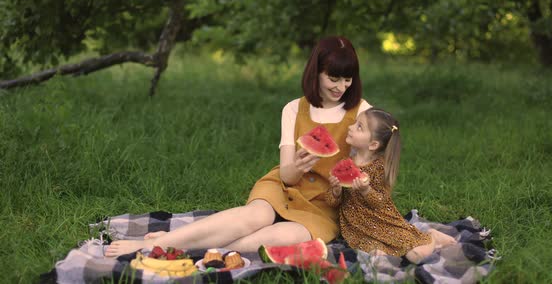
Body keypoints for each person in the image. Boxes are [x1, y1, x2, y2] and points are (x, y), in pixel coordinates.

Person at [105, 36, 372, 257]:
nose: (341, 87)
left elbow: (372, 173)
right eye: (333, 78)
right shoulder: (293, 109)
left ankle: (182, 245)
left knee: (283, 236)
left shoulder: (363, 113)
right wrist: (298, 167)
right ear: (317, 72)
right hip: (283, 186)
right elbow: (287, 176)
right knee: (254, 218)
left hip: (325, 205)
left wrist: (359, 181)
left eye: (347, 79)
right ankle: (152, 244)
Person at [326, 108, 456, 263]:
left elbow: (380, 202)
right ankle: (411, 243)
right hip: (356, 230)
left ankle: (432, 236)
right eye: (355, 123)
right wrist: (335, 191)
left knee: (415, 256)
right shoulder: (344, 164)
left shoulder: (379, 167)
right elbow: (332, 203)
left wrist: (366, 190)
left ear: (373, 144)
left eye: (359, 126)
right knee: (377, 254)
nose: (350, 127)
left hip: (383, 222)